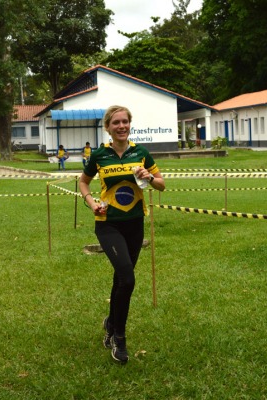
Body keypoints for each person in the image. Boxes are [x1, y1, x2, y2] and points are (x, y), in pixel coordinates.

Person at [78, 105, 165, 363]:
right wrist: (91, 201)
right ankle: (119, 338)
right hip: (108, 224)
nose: (121, 126)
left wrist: (148, 176)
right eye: (116, 122)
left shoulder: (141, 153)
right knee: (127, 278)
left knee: (121, 279)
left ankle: (110, 322)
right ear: (108, 127)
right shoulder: (99, 155)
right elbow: (83, 181)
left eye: (125, 121)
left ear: (130, 124)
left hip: (134, 223)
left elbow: (162, 184)